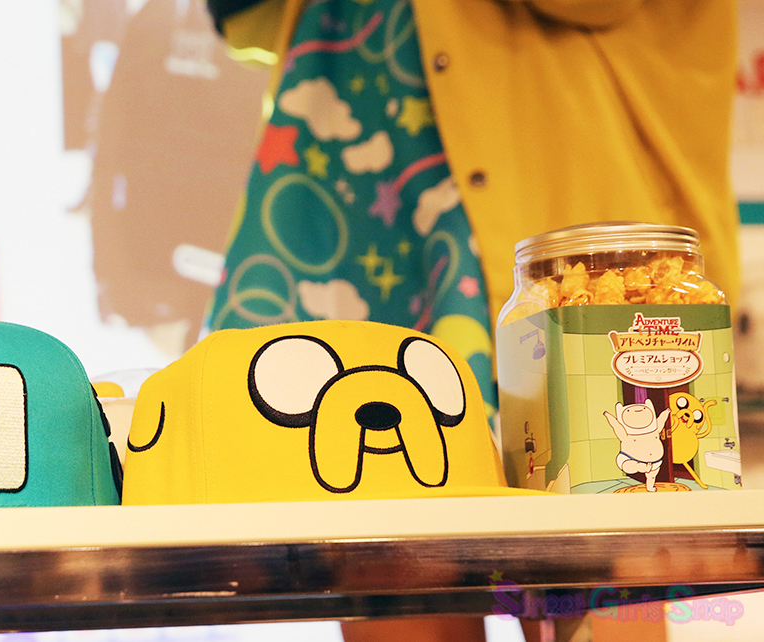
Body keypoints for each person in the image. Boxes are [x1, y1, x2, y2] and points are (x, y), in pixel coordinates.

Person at [201, 0, 741, 428]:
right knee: (315, 442)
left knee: (572, 481)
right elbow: (248, 22)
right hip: (357, 216)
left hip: (576, 259)